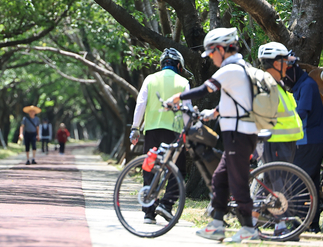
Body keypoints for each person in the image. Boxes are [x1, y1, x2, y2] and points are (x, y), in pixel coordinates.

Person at [167, 27, 259, 243]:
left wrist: (178, 97)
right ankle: (217, 224)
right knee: (220, 178)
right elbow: (234, 98)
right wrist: (213, 113)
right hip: (236, 133)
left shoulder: (231, 69)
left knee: (237, 183)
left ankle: (248, 228)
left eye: (211, 53)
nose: (210, 58)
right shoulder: (237, 68)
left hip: (239, 133)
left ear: (221, 49)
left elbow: (204, 90)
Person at [129, 47, 190, 225]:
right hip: (175, 132)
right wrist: (188, 131)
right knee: (177, 169)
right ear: (179, 65)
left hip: (152, 130)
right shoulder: (183, 81)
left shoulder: (150, 78)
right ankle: (166, 204)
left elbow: (140, 103)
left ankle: (149, 212)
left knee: (150, 167)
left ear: (162, 64)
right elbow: (188, 108)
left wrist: (135, 128)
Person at [257, 42, 305, 237]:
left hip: (284, 141)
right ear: (276, 63)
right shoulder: (268, 84)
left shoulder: (279, 84)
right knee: (278, 183)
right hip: (276, 140)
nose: (288, 66)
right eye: (285, 62)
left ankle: (251, 222)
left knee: (272, 181)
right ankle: (281, 225)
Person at [286, 52, 323, 233]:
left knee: (299, 181)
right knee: (311, 182)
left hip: (310, 140)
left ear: (294, 70)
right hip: (307, 140)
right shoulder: (299, 85)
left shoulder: (308, 85)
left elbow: (301, 113)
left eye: (285, 72)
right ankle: (312, 224)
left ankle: (299, 223)